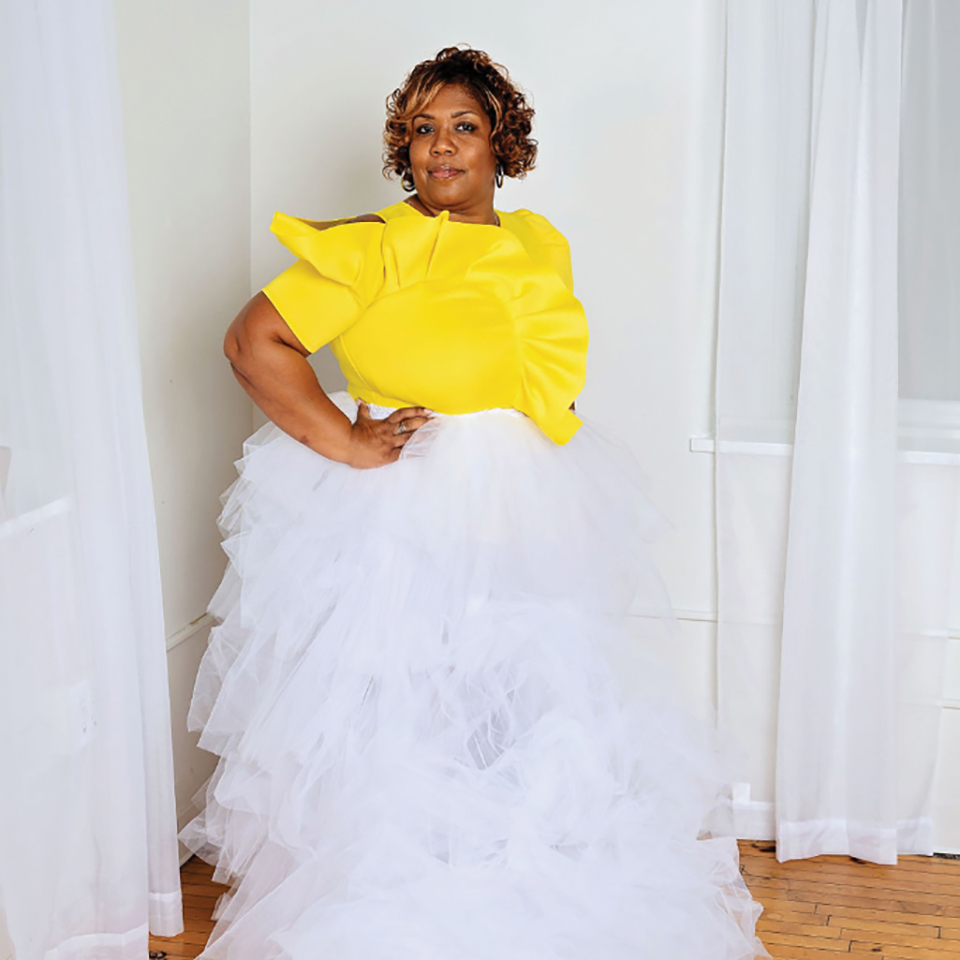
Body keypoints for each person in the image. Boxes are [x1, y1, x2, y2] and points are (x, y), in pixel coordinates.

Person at [181, 45, 769, 960]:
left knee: (520, 699)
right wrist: (347, 441)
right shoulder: (375, 245)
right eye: (422, 130)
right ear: (404, 147)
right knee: (404, 702)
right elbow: (253, 341)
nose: (441, 147)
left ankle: (507, 871)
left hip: (520, 502)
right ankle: (403, 889)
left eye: (463, 127)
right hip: (404, 511)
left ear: (502, 142)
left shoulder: (538, 243)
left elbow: (535, 372)